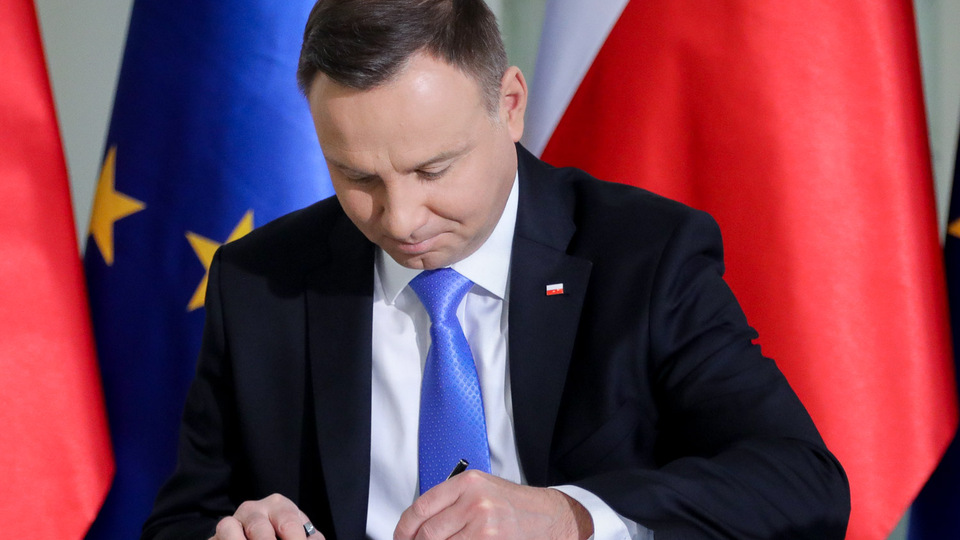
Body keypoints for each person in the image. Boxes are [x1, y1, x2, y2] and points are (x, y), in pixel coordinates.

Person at [142, 1, 851, 538]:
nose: (401, 219)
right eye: (357, 177)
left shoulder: (644, 255)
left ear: (509, 106)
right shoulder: (260, 280)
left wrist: (571, 517)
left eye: (432, 170)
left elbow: (802, 482)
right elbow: (181, 519)